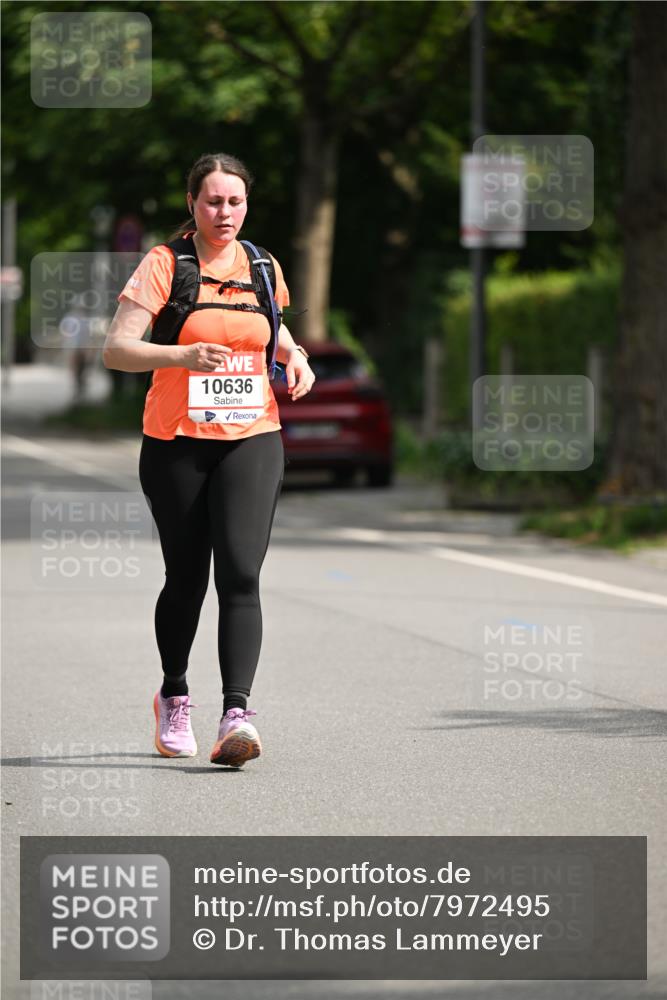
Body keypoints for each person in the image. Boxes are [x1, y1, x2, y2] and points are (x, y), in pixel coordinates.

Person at [102, 152, 315, 767]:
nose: (226, 212)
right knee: (188, 576)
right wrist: (181, 358)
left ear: (247, 206)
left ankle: (236, 716)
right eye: (214, 201)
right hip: (177, 442)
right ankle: (174, 694)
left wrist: (293, 354)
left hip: (253, 434)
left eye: (236, 201)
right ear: (192, 204)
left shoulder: (261, 264)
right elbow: (117, 349)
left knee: (242, 574)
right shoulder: (165, 264)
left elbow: (269, 327)